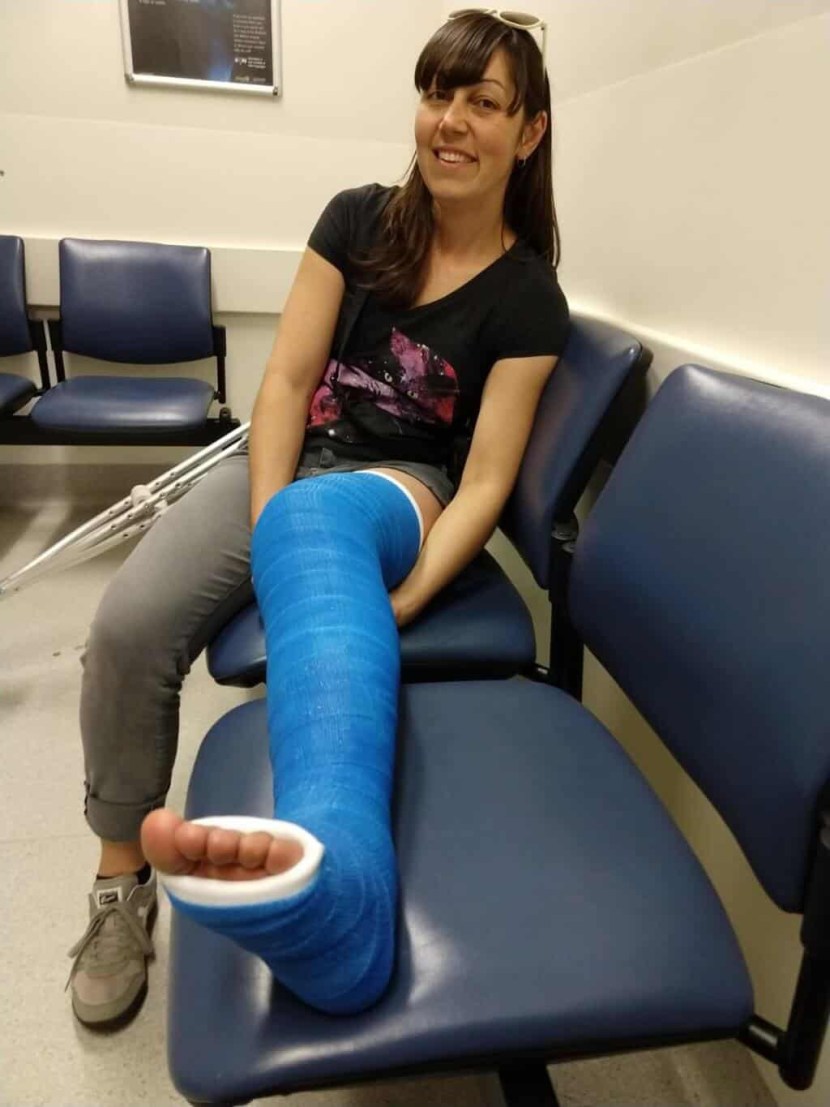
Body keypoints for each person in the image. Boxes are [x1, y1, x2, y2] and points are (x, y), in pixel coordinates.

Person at [68, 9, 570, 1026]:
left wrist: (407, 597)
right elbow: (288, 383)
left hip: (401, 487)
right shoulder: (356, 219)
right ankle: (122, 878)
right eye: (437, 94)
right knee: (125, 626)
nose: (451, 121)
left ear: (528, 132)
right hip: (289, 466)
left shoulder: (527, 297)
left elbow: (482, 481)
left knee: (322, 520)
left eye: (483, 103)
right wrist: (269, 518)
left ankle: (339, 894)